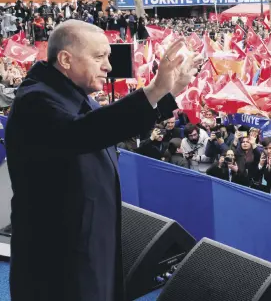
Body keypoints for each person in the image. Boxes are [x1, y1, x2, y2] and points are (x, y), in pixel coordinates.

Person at [5, 21, 200, 301]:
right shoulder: (36, 101)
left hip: (88, 255)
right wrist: (154, 89)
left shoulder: (75, 97)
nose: (108, 66)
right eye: (99, 57)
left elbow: (110, 127)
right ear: (65, 59)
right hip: (56, 269)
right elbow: (83, 133)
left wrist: (170, 94)